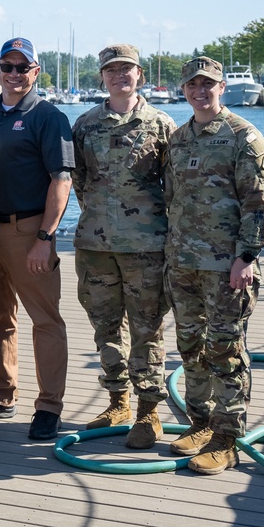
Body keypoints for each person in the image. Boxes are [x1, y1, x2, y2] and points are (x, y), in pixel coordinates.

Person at [164, 56, 264, 475]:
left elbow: (259, 205)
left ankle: (227, 438)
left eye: (207, 84)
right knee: (191, 347)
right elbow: (174, 199)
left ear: (222, 86)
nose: (199, 91)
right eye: (192, 84)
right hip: (184, 264)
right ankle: (201, 423)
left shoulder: (244, 137)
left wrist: (246, 257)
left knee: (225, 350)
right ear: (184, 89)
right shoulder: (179, 139)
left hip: (228, 266)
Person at [71, 44, 176, 449]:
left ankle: (149, 411)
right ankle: (118, 401)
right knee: (105, 326)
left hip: (147, 247)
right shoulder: (85, 125)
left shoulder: (161, 124)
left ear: (140, 75)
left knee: (147, 328)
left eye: (126, 69)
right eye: (111, 70)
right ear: (102, 77)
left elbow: (173, 187)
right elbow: (78, 181)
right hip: (96, 246)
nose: (119, 76)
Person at [0, 37, 74, 440]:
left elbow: (61, 179)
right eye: (7, 66)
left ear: (35, 72)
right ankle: (0, 393)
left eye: (22, 67)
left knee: (45, 320)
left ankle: (49, 406)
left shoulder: (48, 117)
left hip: (28, 231)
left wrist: (45, 237)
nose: (14, 74)